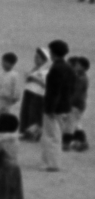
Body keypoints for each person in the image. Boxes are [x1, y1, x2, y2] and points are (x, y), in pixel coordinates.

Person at [41, 40, 75, 170]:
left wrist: (50, 108)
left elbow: (54, 91)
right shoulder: (69, 68)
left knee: (51, 136)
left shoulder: (55, 68)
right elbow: (72, 89)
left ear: (53, 53)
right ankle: (52, 162)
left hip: (54, 107)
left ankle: (52, 163)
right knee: (56, 134)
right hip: (65, 106)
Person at [0, 50, 23, 127]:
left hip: (7, 100)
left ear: (12, 64)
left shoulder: (14, 75)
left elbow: (16, 88)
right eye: (3, 61)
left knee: (4, 116)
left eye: (5, 62)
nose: (3, 64)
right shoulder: (0, 73)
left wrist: (15, 98)